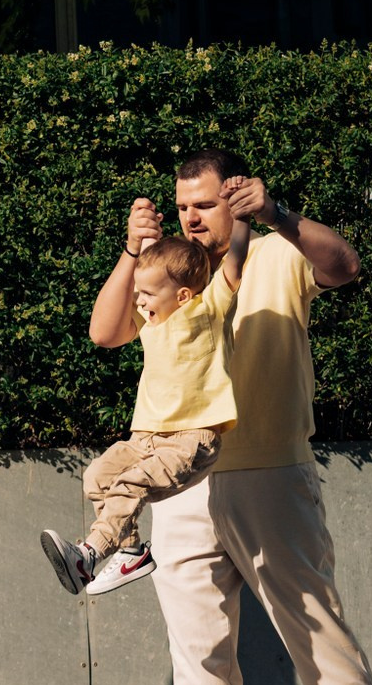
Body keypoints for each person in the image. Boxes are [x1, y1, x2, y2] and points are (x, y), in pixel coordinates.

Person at [86, 152, 372, 685]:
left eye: (204, 203)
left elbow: (345, 266)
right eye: (183, 206)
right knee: (198, 655)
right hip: (181, 480)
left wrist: (277, 213)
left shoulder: (274, 253)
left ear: (236, 198)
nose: (191, 217)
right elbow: (105, 333)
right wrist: (132, 249)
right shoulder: (165, 273)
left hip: (270, 470)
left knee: (319, 640)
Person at [40, 225, 249, 597]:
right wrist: (142, 240)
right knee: (98, 477)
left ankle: (89, 554)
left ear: (182, 295)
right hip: (145, 439)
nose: (139, 301)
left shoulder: (207, 311)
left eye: (148, 295)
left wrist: (244, 219)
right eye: (139, 293)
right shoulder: (151, 320)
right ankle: (131, 551)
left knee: (130, 485)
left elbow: (234, 264)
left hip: (190, 441)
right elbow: (145, 281)